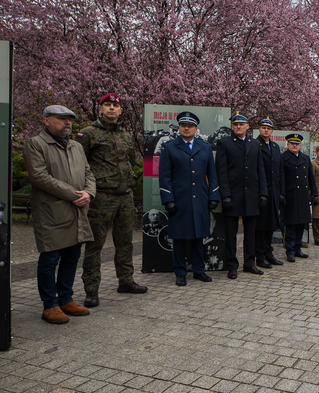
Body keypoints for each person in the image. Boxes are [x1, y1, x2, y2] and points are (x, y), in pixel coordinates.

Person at [24, 104, 96, 324]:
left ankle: (66, 298)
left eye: (70, 119)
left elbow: (88, 173)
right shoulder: (35, 144)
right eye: (61, 118)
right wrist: (74, 194)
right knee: (50, 259)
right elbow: (39, 177)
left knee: (72, 257)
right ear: (46, 121)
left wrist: (90, 193)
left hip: (77, 210)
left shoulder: (76, 146)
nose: (68, 123)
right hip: (52, 212)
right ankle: (50, 305)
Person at [76, 92, 146, 308]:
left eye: (115, 106)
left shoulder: (125, 135)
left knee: (125, 243)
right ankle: (91, 290)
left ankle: (126, 281)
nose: (111, 109)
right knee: (94, 245)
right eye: (107, 105)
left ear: (121, 110)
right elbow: (79, 164)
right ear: (101, 108)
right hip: (101, 197)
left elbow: (131, 160)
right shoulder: (87, 134)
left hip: (125, 197)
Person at [159, 111, 220, 286]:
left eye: (190, 126)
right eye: (184, 125)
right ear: (179, 128)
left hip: (200, 199)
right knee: (179, 237)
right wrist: (167, 199)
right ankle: (180, 272)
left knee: (198, 237)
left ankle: (199, 270)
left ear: (196, 129)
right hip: (179, 200)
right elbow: (164, 176)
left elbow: (212, 174)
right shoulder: (170, 147)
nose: (187, 128)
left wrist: (213, 195)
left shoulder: (205, 147)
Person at [215, 113, 268, 277]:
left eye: (241, 124)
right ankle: (231, 265)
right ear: (232, 127)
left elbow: (260, 171)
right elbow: (221, 172)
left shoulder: (254, 144)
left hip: (252, 195)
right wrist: (225, 195)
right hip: (232, 195)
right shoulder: (224, 143)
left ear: (247, 127)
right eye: (235, 124)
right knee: (231, 234)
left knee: (250, 233)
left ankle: (249, 263)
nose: (238, 126)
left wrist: (263, 193)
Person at [254, 118, 285, 267]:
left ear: (272, 131)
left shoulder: (275, 146)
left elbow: (279, 170)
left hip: (274, 191)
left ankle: (268, 252)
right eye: (263, 127)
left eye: (269, 128)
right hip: (261, 191)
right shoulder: (254, 144)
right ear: (259, 129)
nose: (266, 130)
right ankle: (259, 256)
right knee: (261, 225)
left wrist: (281, 192)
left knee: (271, 223)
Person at [281, 134, 317, 261]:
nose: (294, 145)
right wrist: (282, 194)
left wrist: (314, 193)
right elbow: (281, 178)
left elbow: (311, 177)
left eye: (297, 144)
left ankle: (297, 248)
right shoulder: (283, 158)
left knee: (301, 223)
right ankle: (289, 250)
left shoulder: (305, 158)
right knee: (290, 224)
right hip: (289, 195)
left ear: (300, 145)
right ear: (288, 144)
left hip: (302, 195)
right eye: (292, 143)